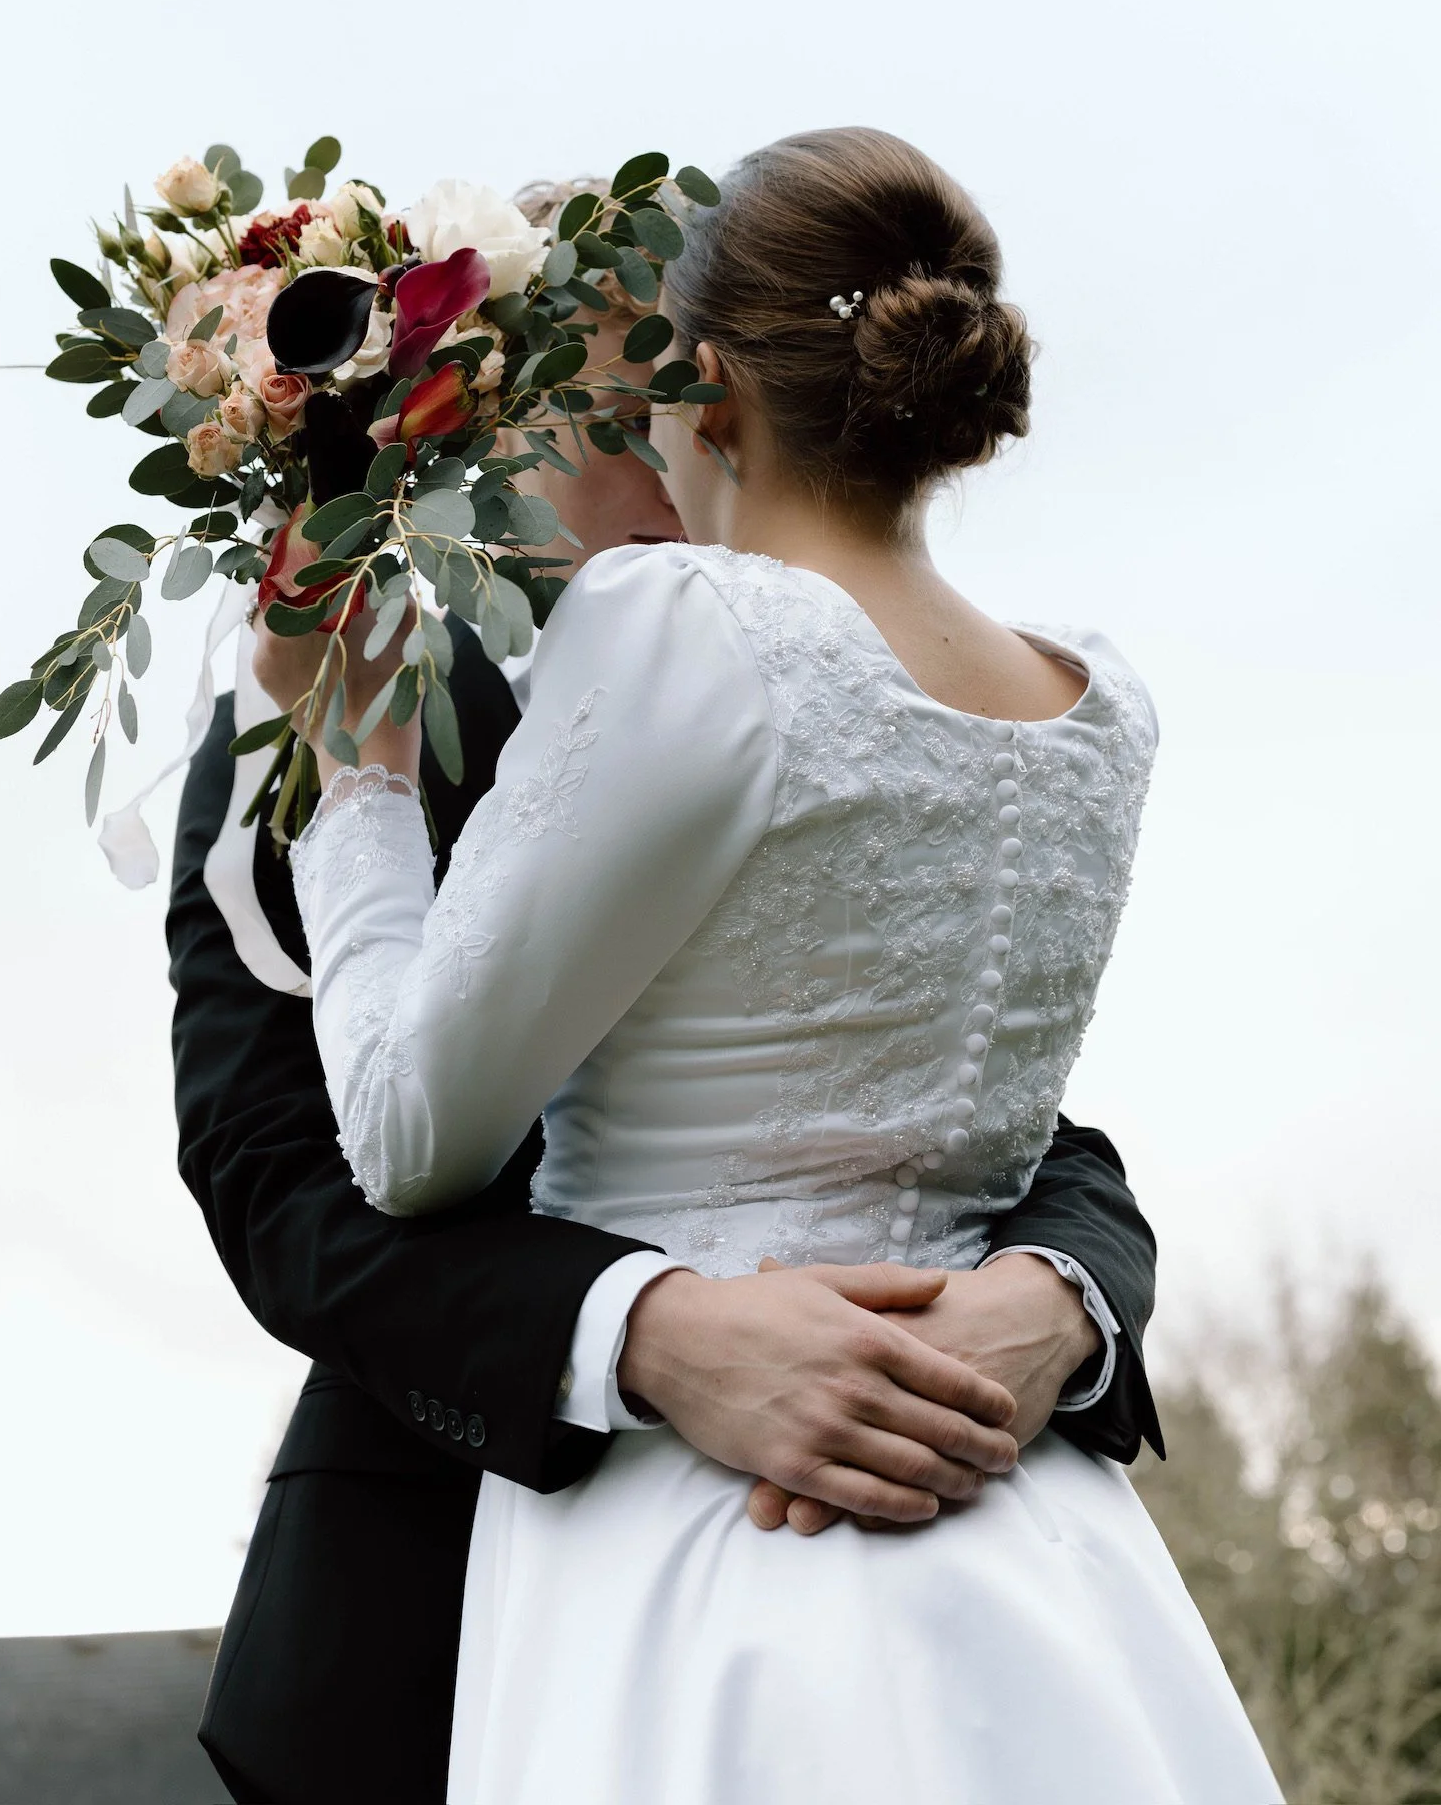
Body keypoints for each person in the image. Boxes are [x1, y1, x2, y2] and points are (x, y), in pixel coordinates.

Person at [172, 166, 1168, 1805]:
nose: (670, 464)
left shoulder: (853, 667)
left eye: (673, 413)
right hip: (447, 1597)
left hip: (917, 1489)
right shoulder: (306, 729)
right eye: (617, 422)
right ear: (491, 429)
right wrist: (643, 1333)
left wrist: (1061, 1299)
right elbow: (281, 1182)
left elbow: (998, 1112)